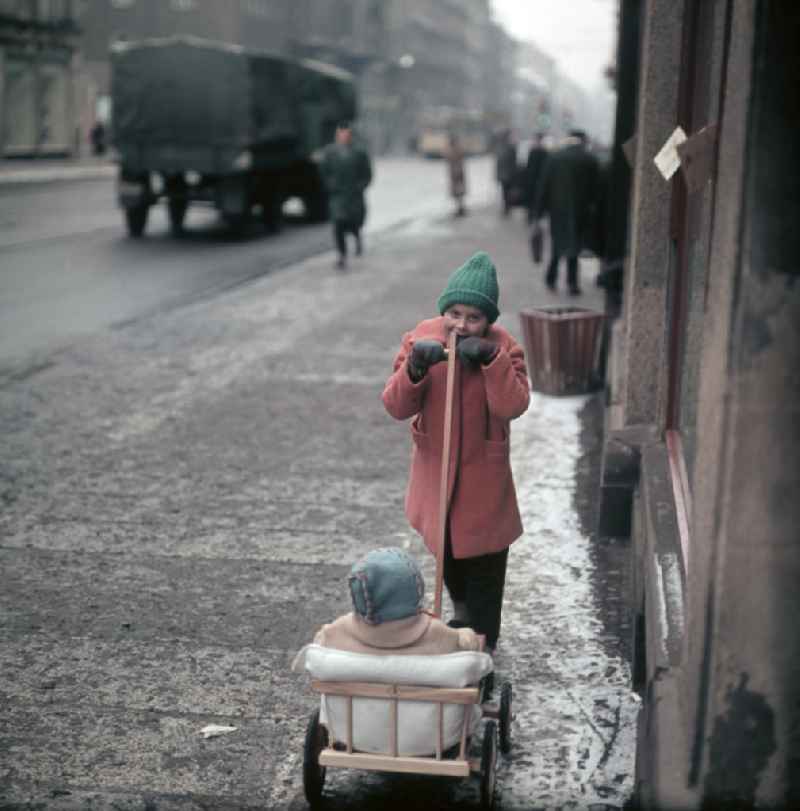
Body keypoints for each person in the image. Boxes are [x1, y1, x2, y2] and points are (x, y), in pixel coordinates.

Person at [381, 251, 530, 655]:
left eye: (473, 318)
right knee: (447, 547)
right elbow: (396, 406)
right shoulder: (421, 338)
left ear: (489, 320)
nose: (462, 325)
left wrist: (491, 361)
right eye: (454, 313)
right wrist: (414, 369)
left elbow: (512, 406)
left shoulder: (505, 347)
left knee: (484, 557)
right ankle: (461, 612)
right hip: (436, 467)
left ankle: (483, 640)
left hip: (482, 474)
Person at [313, 547, 481, 655]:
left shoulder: (339, 631)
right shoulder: (435, 633)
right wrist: (465, 635)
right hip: (423, 709)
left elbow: (321, 640)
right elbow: (465, 644)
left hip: (353, 710)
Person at [533, 129, 600, 295]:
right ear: (583, 140)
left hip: (557, 211)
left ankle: (551, 279)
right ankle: (572, 283)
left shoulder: (554, 157)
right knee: (575, 246)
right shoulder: (590, 159)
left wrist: (538, 213)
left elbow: (544, 186)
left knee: (557, 245)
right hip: (581, 211)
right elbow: (596, 190)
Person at [320, 121, 373, 270]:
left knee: (354, 222)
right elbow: (323, 172)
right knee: (338, 224)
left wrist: (360, 186)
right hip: (338, 196)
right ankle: (342, 255)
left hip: (354, 196)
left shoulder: (359, 152)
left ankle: (357, 238)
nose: (343, 137)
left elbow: (367, 174)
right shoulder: (330, 152)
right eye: (341, 134)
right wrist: (330, 185)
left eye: (346, 134)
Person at [524, 132, 547, 224]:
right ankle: (533, 215)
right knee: (533, 199)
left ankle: (533, 216)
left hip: (536, 180)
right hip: (534, 180)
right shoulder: (536, 151)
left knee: (534, 199)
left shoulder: (538, 151)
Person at [495, 129, 519, 217]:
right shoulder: (502, 147)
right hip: (504, 175)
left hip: (509, 175)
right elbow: (499, 163)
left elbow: (513, 163)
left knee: (507, 192)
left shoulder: (510, 147)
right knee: (505, 192)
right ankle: (507, 208)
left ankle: (508, 207)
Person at [445, 132, 467, 217]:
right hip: (457, 173)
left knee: (458, 192)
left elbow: (449, 157)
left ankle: (460, 209)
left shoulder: (455, 150)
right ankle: (460, 208)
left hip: (456, 174)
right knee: (458, 193)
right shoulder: (457, 149)